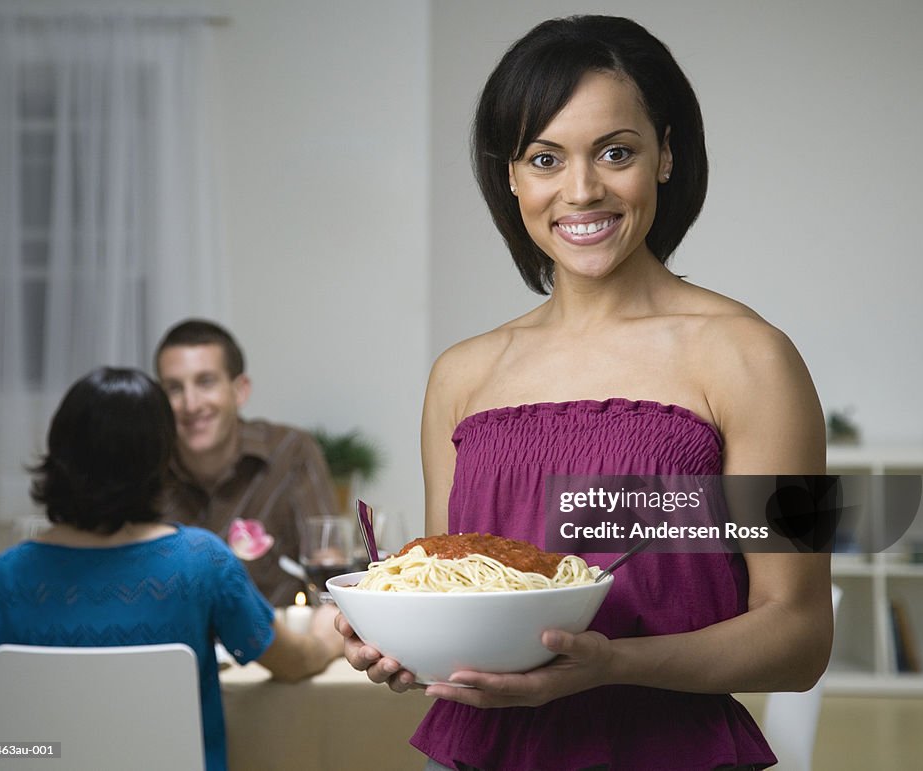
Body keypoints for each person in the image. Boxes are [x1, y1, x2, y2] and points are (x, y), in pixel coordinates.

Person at [339, 15, 833, 771]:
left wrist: (613, 662)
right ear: (510, 175)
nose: (582, 190)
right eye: (545, 157)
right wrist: (399, 641)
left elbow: (799, 637)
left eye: (615, 152)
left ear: (665, 154)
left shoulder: (756, 359)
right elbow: (450, 598)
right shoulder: (460, 376)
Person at [0, 367, 343, 771]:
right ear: (161, 459)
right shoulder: (202, 563)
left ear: (59, 454)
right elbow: (294, 662)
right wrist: (327, 632)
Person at [154, 319, 337, 607]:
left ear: (240, 390)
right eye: (174, 388)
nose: (190, 404)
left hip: (277, 646)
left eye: (205, 382)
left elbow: (328, 563)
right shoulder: (145, 467)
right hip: (177, 645)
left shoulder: (290, 452)